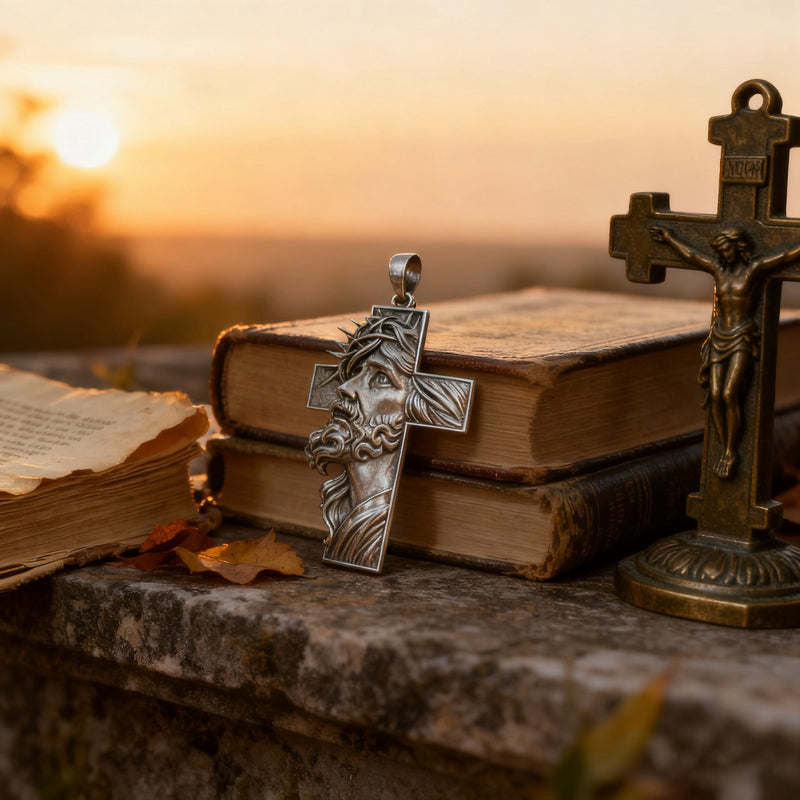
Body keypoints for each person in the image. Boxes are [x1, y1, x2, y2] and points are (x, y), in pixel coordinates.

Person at [306, 311, 469, 568]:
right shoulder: (339, 506)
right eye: (355, 372)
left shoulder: (373, 519)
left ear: (413, 405)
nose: (345, 389)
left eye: (381, 378)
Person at [650, 225, 800, 479]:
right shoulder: (719, 270)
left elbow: (784, 257)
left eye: (727, 249)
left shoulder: (753, 270)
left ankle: (731, 450)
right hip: (719, 337)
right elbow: (692, 256)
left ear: (738, 247)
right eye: (721, 251)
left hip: (741, 336)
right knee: (716, 395)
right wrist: (669, 239)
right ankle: (724, 447)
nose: (724, 254)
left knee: (731, 393)